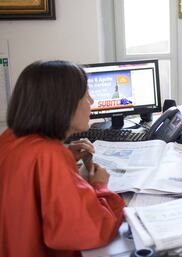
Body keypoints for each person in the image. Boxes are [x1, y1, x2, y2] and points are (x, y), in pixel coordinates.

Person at [0, 60, 125, 257]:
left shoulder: (10, 137)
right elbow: (92, 230)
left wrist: (66, 156)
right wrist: (100, 186)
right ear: (63, 104)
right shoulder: (48, 155)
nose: (91, 102)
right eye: (86, 95)